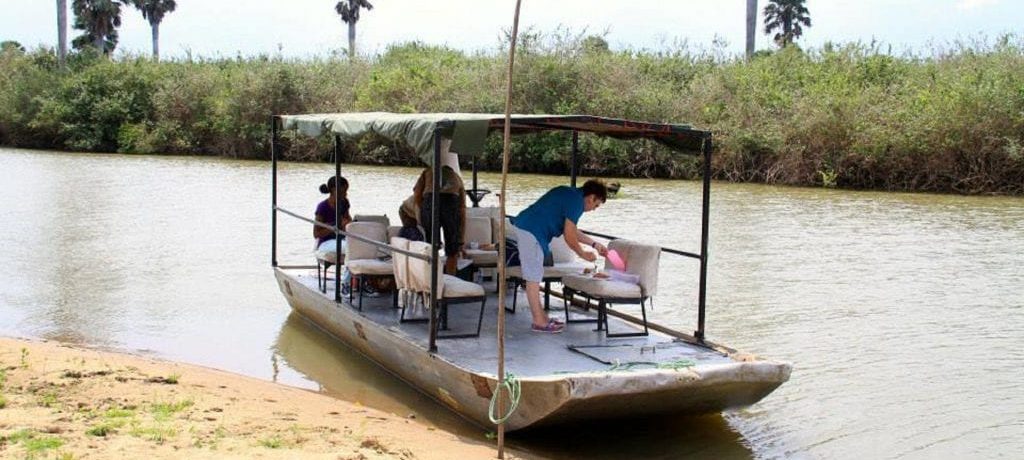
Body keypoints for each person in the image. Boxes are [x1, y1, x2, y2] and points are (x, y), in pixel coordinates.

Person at [509, 179, 609, 333]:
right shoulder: (576, 202)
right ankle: (539, 322)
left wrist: (594, 244)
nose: (594, 209)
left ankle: (542, 317)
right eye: (596, 205)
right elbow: (569, 236)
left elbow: (571, 229)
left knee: (535, 275)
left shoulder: (572, 196)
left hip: (528, 227)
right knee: (533, 277)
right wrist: (583, 254)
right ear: (591, 197)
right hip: (532, 230)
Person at [415, 166, 467, 275]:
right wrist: (460, 239)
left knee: (431, 246)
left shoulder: (428, 171)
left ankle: (431, 278)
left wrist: (423, 210)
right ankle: (451, 278)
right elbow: (462, 208)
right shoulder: (457, 177)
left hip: (430, 200)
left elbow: (417, 193)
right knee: (452, 250)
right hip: (451, 201)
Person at [314, 175, 353, 295]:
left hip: (342, 239)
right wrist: (334, 227)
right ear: (332, 190)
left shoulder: (344, 203)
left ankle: (364, 282)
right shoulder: (323, 207)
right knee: (351, 248)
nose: (345, 194)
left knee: (361, 246)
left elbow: (348, 219)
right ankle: (345, 283)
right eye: (342, 191)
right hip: (326, 242)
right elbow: (316, 233)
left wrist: (348, 223)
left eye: (346, 191)